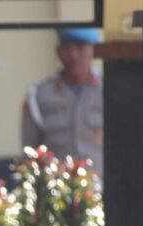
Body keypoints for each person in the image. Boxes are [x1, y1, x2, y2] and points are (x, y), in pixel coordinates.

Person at [20, 28, 104, 173]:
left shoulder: (108, 92)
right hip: (56, 187)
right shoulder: (39, 95)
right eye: (67, 48)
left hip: (101, 185)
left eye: (80, 48)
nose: (73, 55)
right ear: (58, 52)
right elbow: (30, 150)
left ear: (94, 51)